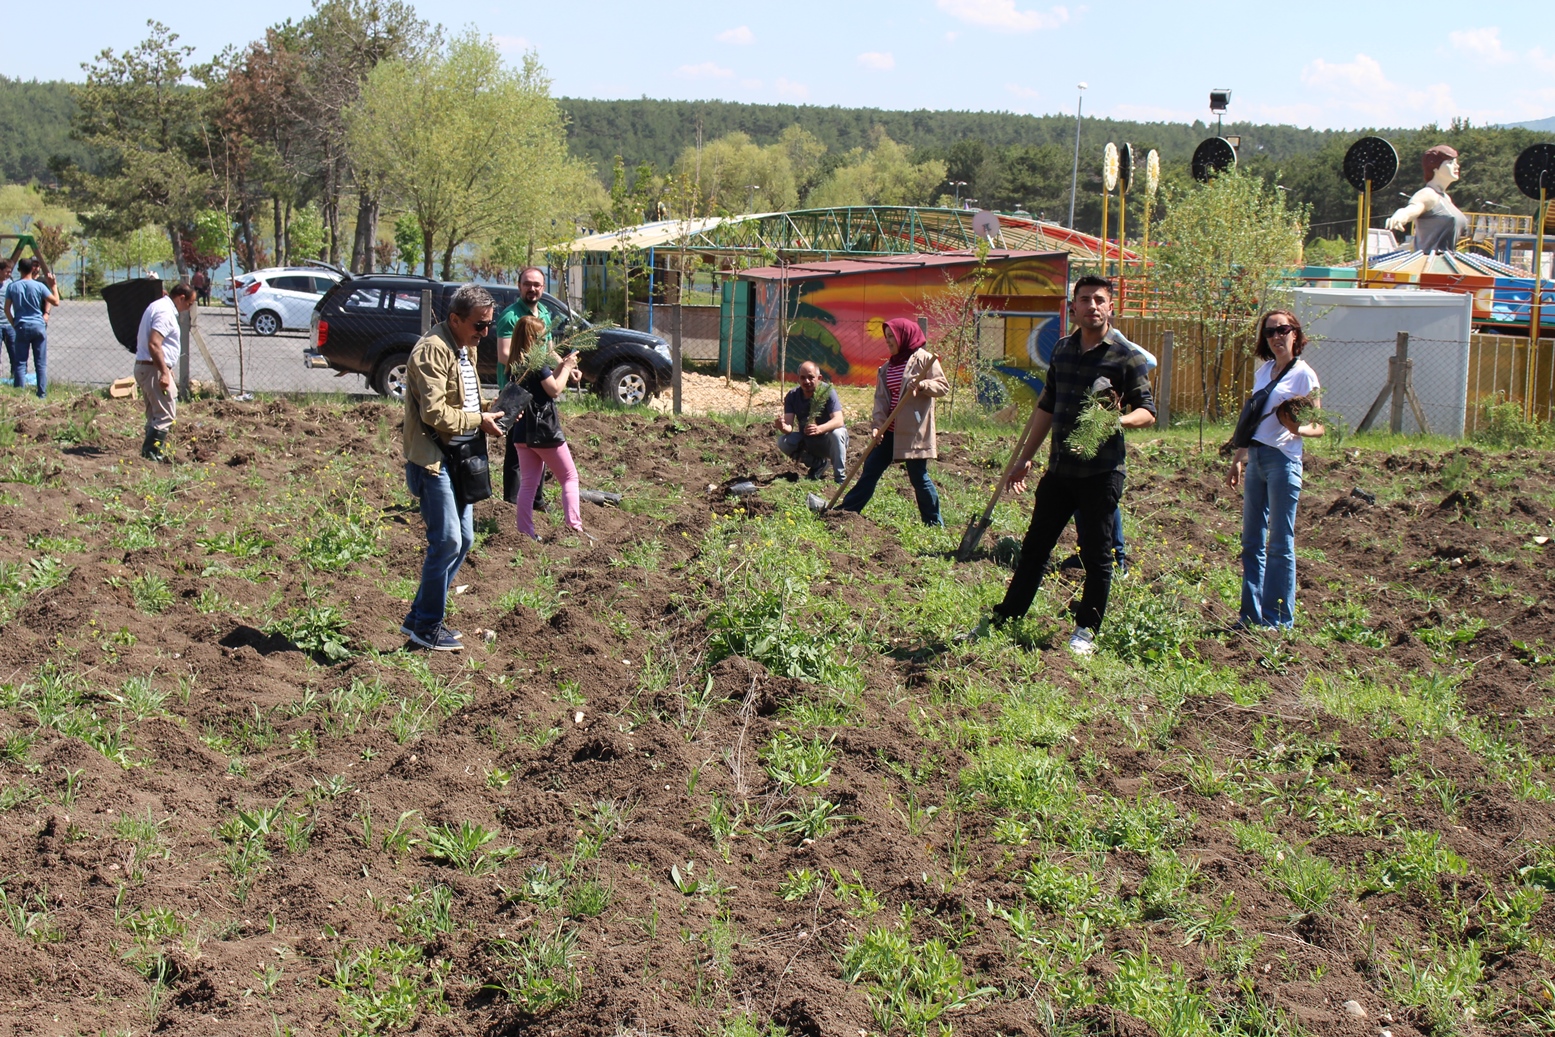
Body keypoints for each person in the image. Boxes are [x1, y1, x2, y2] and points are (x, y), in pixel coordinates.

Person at [965, 276, 1156, 656]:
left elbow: (1147, 411)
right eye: (1085, 300)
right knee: (1035, 548)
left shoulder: (1125, 355)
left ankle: (1086, 630)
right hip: (1059, 471)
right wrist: (1026, 458)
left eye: (1100, 300)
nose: (1092, 306)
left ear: (1110, 307)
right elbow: (1046, 407)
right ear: (1074, 307)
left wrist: (1116, 421)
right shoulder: (1063, 350)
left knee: (1098, 554)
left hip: (1101, 473)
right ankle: (1007, 616)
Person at [401, 284, 507, 652]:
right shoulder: (433, 350)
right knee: (446, 541)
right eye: (479, 325)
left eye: (489, 325)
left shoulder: (464, 348)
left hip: (459, 457)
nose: (485, 333)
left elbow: (464, 400)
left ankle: (419, 617)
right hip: (434, 459)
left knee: (464, 540)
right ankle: (428, 626)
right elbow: (433, 412)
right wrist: (479, 420)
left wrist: (492, 411)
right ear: (455, 319)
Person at [1227, 310, 1324, 630]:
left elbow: (1318, 427)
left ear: (1295, 333)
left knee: (1281, 543)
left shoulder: (1304, 375)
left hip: (1283, 461)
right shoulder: (1264, 371)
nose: (1276, 337)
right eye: (1269, 332)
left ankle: (1278, 620)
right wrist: (1238, 458)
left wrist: (1296, 428)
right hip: (1256, 459)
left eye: (1283, 330)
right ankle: (1250, 616)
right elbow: (1254, 421)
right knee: (1252, 541)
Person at [836, 318, 948, 525]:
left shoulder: (925, 359)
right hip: (889, 430)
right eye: (886, 336)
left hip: (913, 431)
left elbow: (942, 386)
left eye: (892, 336)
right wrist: (877, 425)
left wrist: (922, 384)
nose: (888, 341)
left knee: (918, 477)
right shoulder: (888, 366)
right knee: (870, 469)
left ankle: (933, 523)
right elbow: (881, 400)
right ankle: (847, 511)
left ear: (904, 336)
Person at [511, 314, 587, 542]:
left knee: (528, 483)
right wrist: (567, 367)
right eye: (542, 337)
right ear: (533, 338)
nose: (545, 341)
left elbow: (542, 387)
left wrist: (563, 367)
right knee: (569, 477)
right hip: (544, 431)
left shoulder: (516, 365)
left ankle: (525, 532)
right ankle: (574, 530)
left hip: (522, 433)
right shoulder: (538, 365)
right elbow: (554, 390)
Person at [496, 266, 555, 508]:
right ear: (519, 286)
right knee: (516, 449)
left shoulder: (545, 314)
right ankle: (511, 502)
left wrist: (566, 368)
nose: (532, 288)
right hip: (517, 391)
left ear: (542, 288)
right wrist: (536, 366)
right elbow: (504, 355)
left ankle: (536, 500)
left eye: (537, 285)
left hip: (539, 392)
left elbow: (550, 350)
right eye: (527, 284)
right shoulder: (510, 317)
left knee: (539, 445)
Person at [134, 283, 197, 461]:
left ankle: (147, 456)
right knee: (166, 414)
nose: (189, 307)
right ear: (181, 298)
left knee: (154, 413)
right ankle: (152, 455)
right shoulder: (165, 313)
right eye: (190, 303)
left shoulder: (157, 306)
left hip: (147, 367)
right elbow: (154, 343)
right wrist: (163, 371)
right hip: (152, 368)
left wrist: (166, 368)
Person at [775, 360, 848, 482]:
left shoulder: (827, 392)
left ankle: (840, 478)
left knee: (837, 433)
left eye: (811, 377)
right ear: (798, 379)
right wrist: (781, 426)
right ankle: (818, 464)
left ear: (819, 378)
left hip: (829, 443)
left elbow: (839, 420)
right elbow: (789, 427)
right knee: (783, 441)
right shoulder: (793, 396)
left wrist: (819, 429)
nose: (806, 381)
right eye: (803, 378)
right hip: (809, 442)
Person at [1385, 145, 1467, 253]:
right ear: (1435, 167)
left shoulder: (1446, 198)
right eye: (1451, 162)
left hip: (1446, 263)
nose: (1457, 166)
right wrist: (1400, 216)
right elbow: (1413, 208)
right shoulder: (1428, 194)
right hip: (1429, 264)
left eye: (1456, 162)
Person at [4, 258, 61, 397]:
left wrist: (14, 324)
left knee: (20, 363)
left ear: (19, 270)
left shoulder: (12, 286)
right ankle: (42, 393)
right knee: (40, 363)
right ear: (32, 269)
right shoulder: (39, 286)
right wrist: (53, 286)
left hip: (22, 326)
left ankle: (19, 394)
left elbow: (7, 309)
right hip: (38, 326)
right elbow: (56, 302)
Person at [0, 260, 13, 384]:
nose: (9, 274)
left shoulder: (10, 284)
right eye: (7, 271)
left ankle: (15, 380)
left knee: (15, 355)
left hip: (9, 325)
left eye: (10, 272)